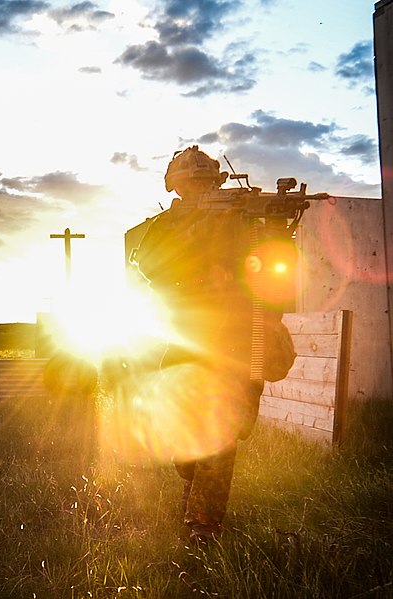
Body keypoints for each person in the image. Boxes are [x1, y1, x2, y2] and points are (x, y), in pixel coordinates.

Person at [134, 145, 294, 544]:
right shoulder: (166, 227)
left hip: (237, 341)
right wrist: (199, 259)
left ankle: (205, 524)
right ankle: (192, 485)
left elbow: (274, 267)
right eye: (190, 183)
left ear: (217, 181)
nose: (198, 189)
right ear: (176, 187)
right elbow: (150, 265)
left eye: (205, 181)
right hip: (190, 338)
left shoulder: (241, 218)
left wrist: (275, 227)